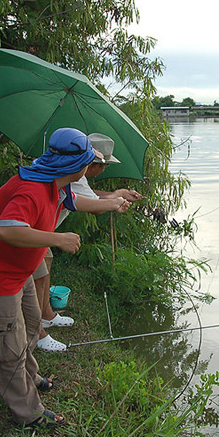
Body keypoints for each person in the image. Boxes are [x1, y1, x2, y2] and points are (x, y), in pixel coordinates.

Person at [0, 127, 96, 427]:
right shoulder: (33, 189)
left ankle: (30, 376)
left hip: (19, 273)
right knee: (8, 345)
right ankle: (27, 412)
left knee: (31, 324)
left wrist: (113, 202)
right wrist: (57, 239)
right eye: (87, 161)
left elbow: (76, 201)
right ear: (78, 166)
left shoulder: (54, 184)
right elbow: (6, 229)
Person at [31, 133, 145, 352]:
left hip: (42, 230)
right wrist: (115, 200)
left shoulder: (70, 175)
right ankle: (37, 332)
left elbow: (86, 196)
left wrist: (116, 195)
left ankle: (46, 315)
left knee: (46, 262)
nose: (105, 170)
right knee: (38, 273)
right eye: (104, 165)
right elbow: (92, 203)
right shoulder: (68, 175)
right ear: (91, 164)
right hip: (34, 232)